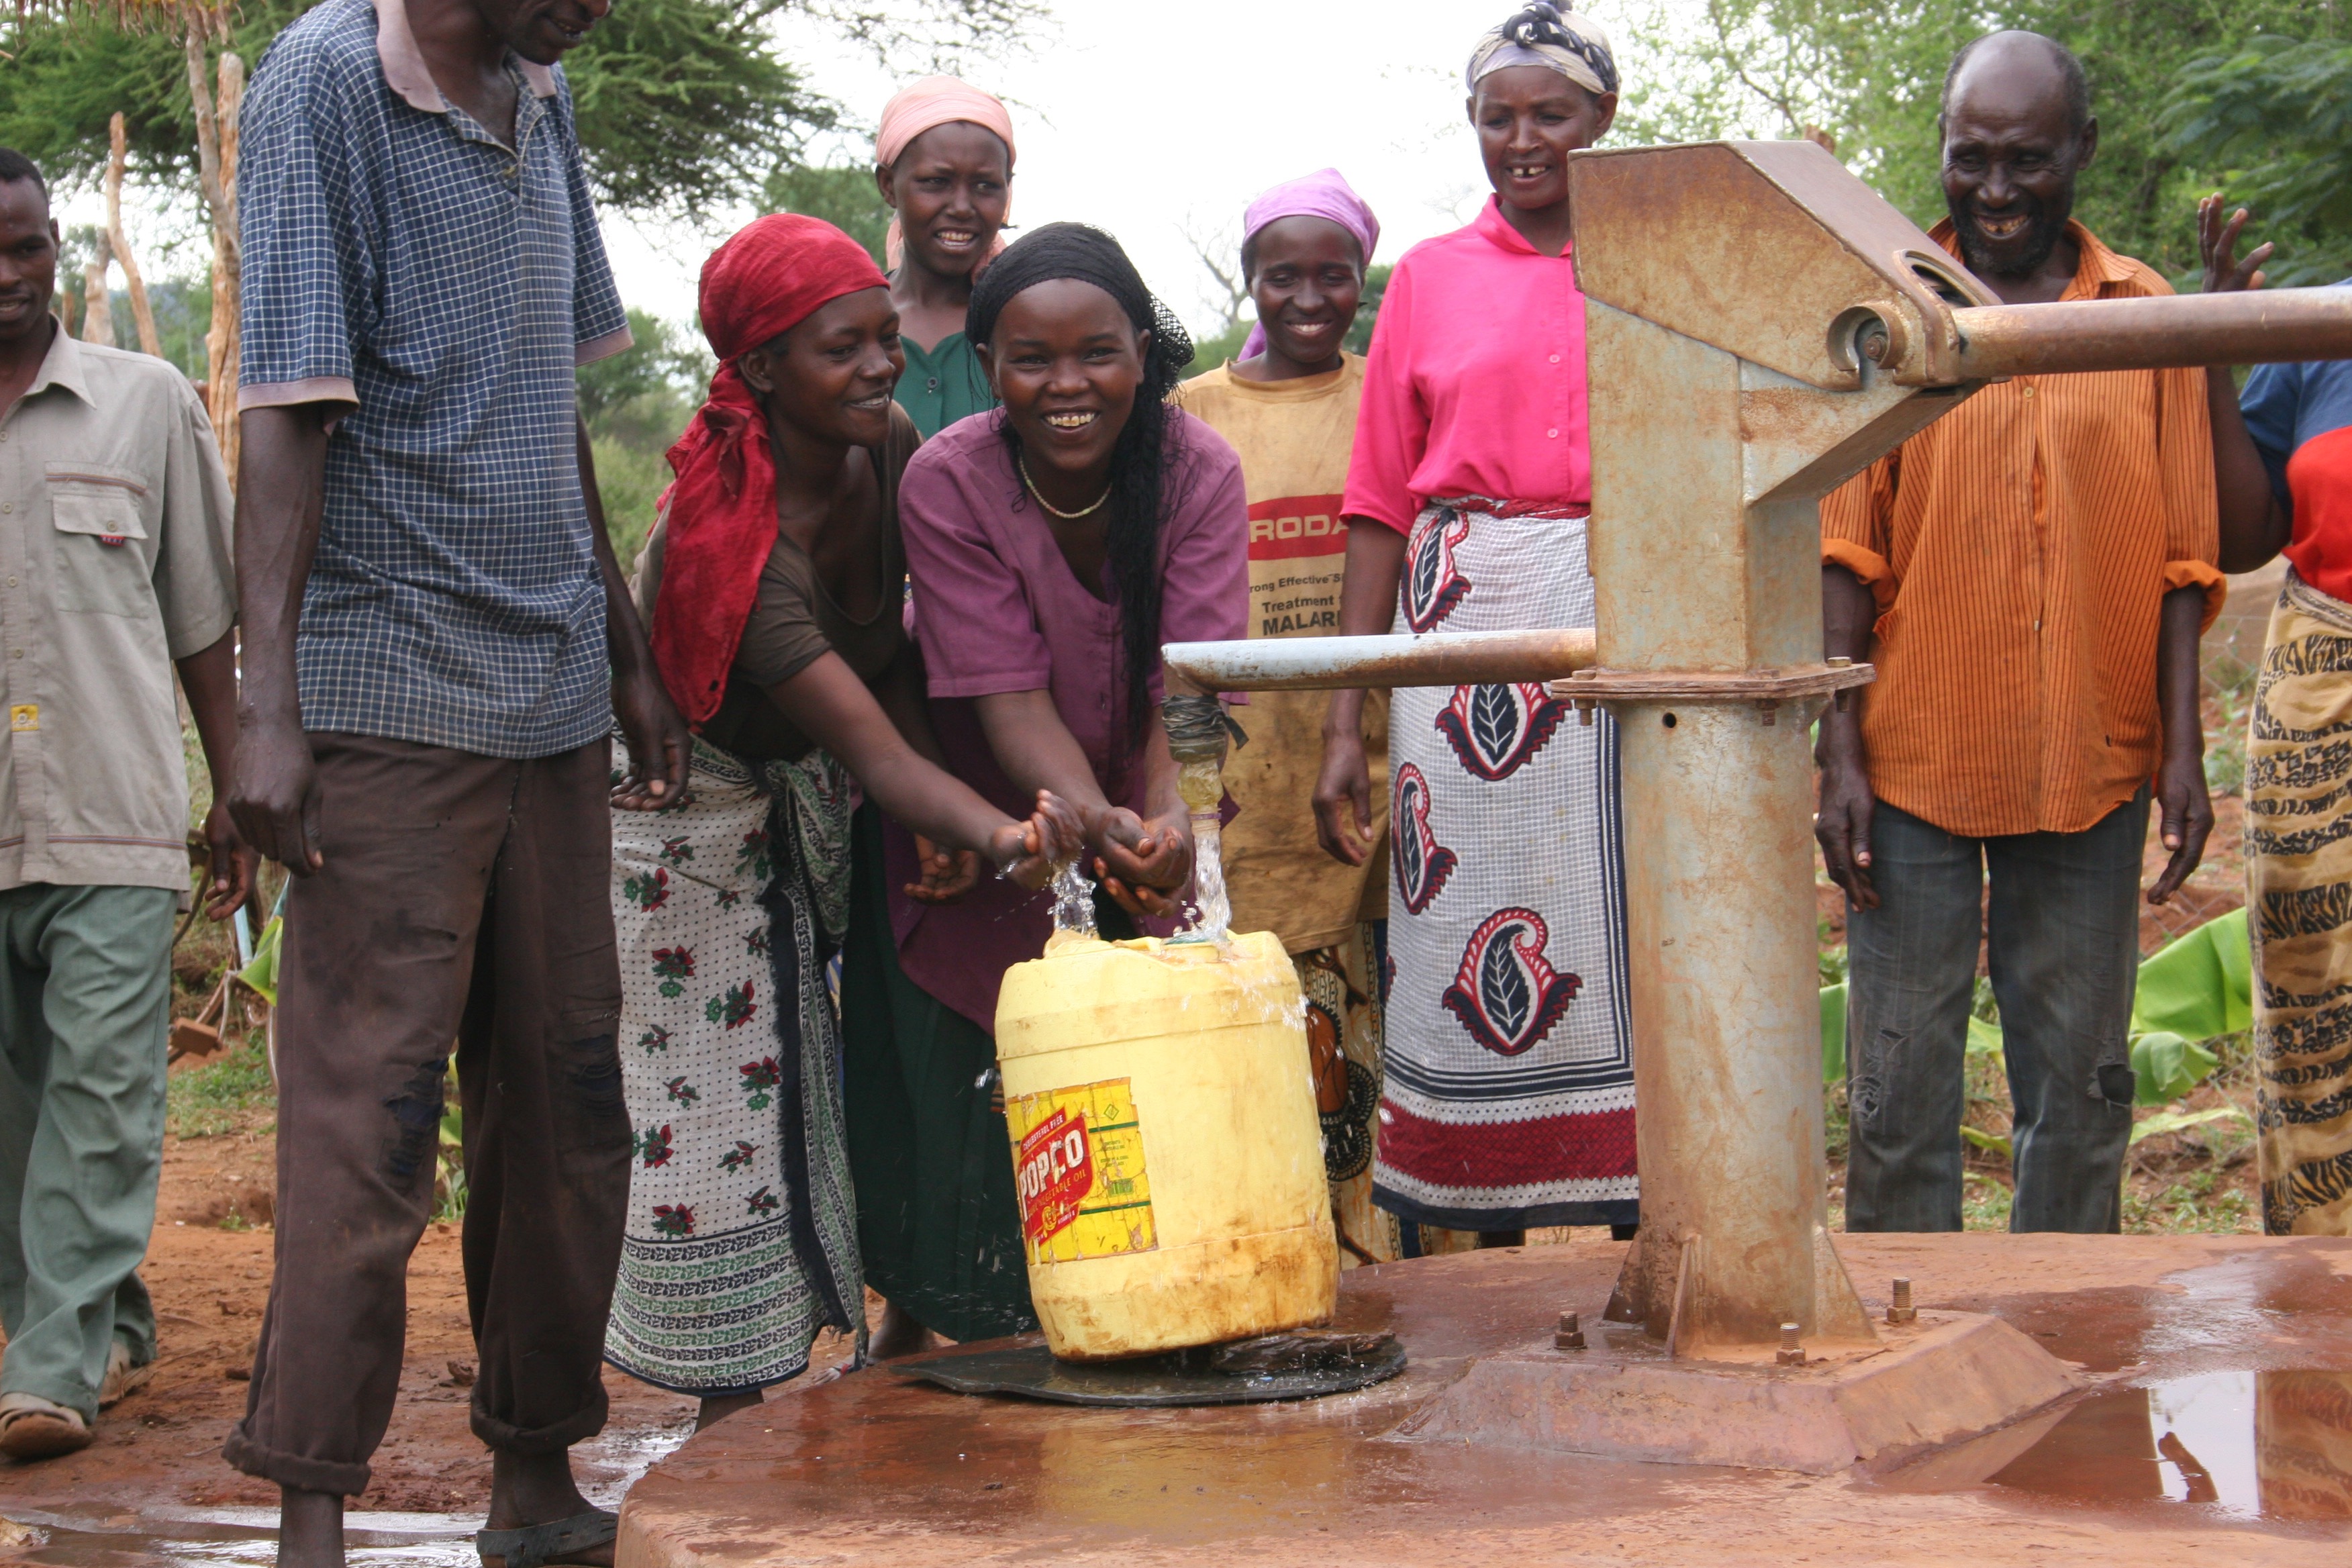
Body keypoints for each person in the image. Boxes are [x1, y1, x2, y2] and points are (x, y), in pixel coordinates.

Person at [222, 1, 691, 1563]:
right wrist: (264, 703)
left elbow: (547, 389)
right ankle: (312, 1500)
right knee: (370, 1113)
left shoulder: (541, 86)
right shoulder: (318, 91)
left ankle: (537, 1470)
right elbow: (287, 406)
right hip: (385, 702)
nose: (598, 10)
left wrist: (624, 646)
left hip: (549, 690)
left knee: (565, 1102)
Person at [603, 214, 1075, 1429]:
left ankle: (868, 1328)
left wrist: (941, 809)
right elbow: (861, 731)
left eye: (883, 337)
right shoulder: (735, 554)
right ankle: (728, 1408)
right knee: (721, 1097)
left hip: (804, 789)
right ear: (760, 372)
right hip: (681, 821)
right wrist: (1002, 833)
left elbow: (896, 666)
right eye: (842, 349)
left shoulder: (888, 445)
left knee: (837, 1053)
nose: (880, 365)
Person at [1814, 31, 2222, 1235]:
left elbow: (2180, 554)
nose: (1993, 190)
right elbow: (1847, 544)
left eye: (2025, 160)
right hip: (1912, 764)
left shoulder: (2141, 313)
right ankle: (1909, 1344)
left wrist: (2181, 749)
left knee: (2082, 1081)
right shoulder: (1887, 316)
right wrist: (1835, 752)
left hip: (2089, 761)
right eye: (1969, 157)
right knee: (1897, 1087)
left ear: (2079, 154)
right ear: (1939, 154)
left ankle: (2069, 1348)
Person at [842, 223, 1246, 1357]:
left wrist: (1163, 820)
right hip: (981, 804)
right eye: (1030, 358)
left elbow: (1195, 680)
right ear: (987, 364)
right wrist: (1089, 822)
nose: (1066, 386)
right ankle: (931, 1322)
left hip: (1144, 776)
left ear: (1141, 355)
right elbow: (1005, 694)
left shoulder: (1198, 469)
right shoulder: (949, 476)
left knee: (1134, 1050)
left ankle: (1128, 1309)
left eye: (1095, 354)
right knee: (965, 1057)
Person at [1319, 4, 1638, 1246]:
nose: (1522, 139)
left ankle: (1635, 1221)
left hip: (1618, 619)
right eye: (1496, 116)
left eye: (1549, 114)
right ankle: (1473, 1231)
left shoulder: (1655, 264)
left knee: (1623, 919)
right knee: (1455, 917)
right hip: (1451, 639)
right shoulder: (1430, 280)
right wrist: (1348, 714)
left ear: (1600, 121)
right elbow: (1375, 503)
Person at [0, 149, 252, 1461]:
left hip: (116, 817)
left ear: (60, 249)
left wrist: (239, 799)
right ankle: (105, 1314)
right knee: (16, 1112)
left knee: (100, 1096)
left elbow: (205, 621)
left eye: (27, 249)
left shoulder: (144, 403)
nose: (9, 279)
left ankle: (50, 1367)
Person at [1172, 170, 1416, 1265]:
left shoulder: (1390, 394)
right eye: (1284, 275)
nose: (1309, 297)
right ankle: (1282, 1259)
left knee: (1389, 1034)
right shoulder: (1190, 415)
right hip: (1246, 783)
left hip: (1376, 761)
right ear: (1249, 279)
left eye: (1333, 275)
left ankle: (1400, 1269)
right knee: (1280, 1032)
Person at [2194, 198, 2352, 1236]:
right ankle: (2324, 1282)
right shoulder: (2322, 327)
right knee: (2314, 984)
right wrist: (2215, 346)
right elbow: (2244, 535)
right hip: (2323, 678)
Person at [873, 77, 1014, 440]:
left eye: (985, 185)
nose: (962, 208)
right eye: (937, 182)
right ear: (889, 185)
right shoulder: (851, 323)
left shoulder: (1024, 323)